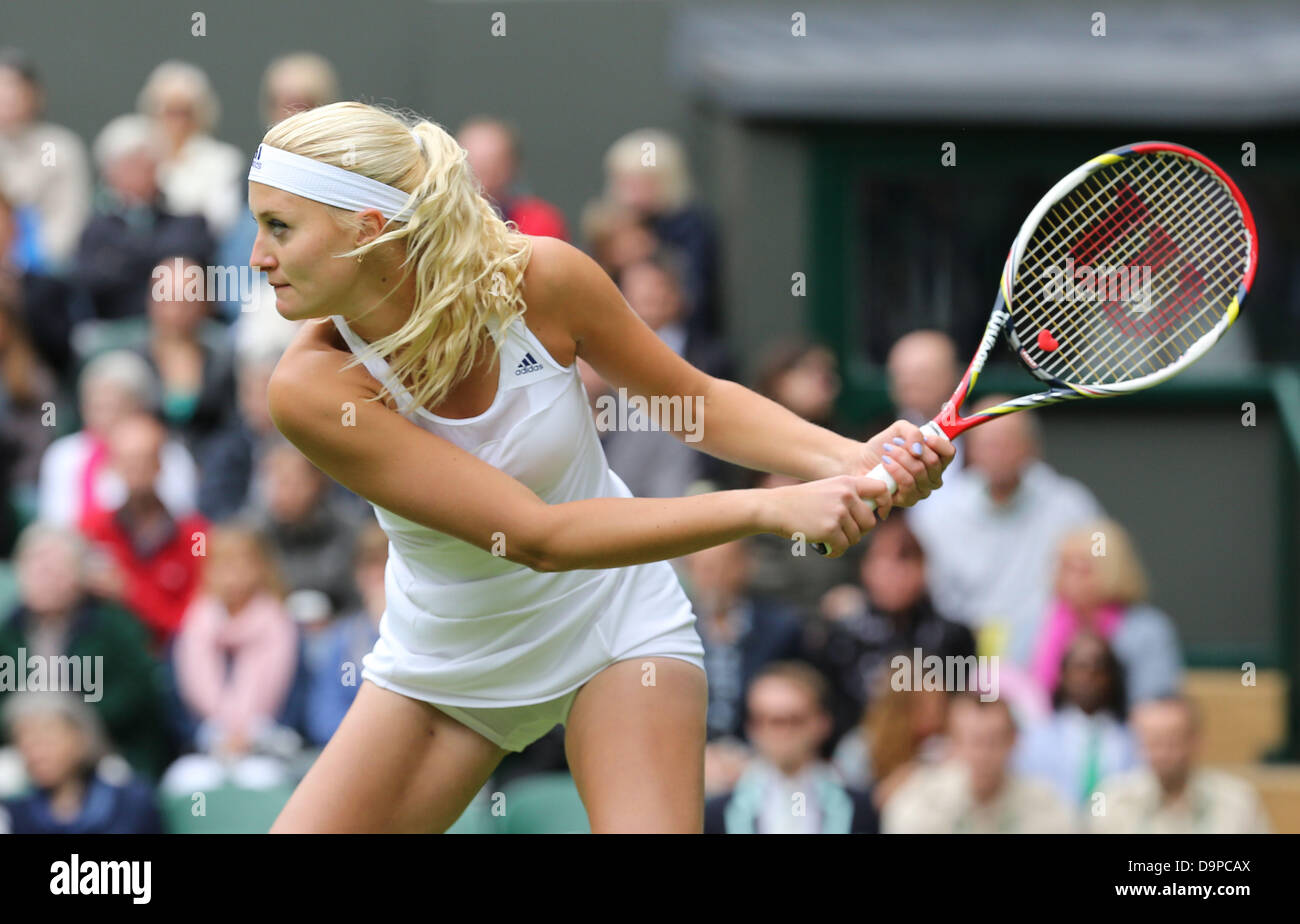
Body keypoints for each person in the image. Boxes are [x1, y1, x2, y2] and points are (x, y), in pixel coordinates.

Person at [248, 101, 954, 833]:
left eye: (279, 227)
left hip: (615, 629)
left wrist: (852, 457)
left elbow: (696, 402)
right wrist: (768, 509)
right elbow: (534, 536)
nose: (257, 257)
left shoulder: (542, 279)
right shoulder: (312, 391)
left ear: (367, 231)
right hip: (445, 668)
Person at [907, 395, 1102, 662]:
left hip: (1054, 653)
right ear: (971, 449)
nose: (998, 452)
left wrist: (1093, 566)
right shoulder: (937, 515)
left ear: (1032, 447)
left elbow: (1103, 550)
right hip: (959, 656)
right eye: (988, 444)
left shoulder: (1072, 504)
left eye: (1007, 442)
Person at [704, 662, 877, 833]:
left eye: (793, 721)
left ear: (823, 723)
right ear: (751, 727)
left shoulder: (860, 809)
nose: (781, 734)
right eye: (767, 721)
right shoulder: (718, 813)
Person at [1030, 519, 1183, 708]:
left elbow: (1154, 703)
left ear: (1112, 573)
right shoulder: (1041, 624)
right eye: (1065, 567)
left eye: (1083, 570)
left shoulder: (1147, 631)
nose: (1070, 579)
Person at [882, 694, 1074, 834]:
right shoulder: (920, 802)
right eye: (974, 741)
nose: (984, 755)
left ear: (1013, 742)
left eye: (994, 741)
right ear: (953, 743)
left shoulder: (1044, 804)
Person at [1090, 697, 1271, 834]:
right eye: (1154, 742)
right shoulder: (1112, 800)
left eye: (1173, 741)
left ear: (1195, 741)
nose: (1164, 753)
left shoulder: (1238, 801)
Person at [0, 692, 163, 834]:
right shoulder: (13, 816)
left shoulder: (131, 804)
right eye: (25, 741)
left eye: (47, 739)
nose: (36, 752)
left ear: (81, 738)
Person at [1013, 632, 1141, 811]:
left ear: (1112, 677)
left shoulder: (1133, 741)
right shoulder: (1035, 740)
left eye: (1099, 667)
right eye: (1080, 667)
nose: (1089, 675)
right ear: (1063, 675)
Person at [457, 116, 568, 240]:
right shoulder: (442, 220)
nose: (481, 170)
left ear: (513, 165)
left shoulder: (539, 220)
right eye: (471, 160)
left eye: (493, 161)